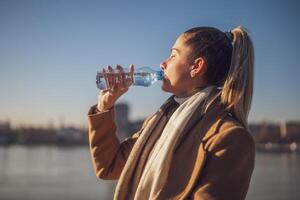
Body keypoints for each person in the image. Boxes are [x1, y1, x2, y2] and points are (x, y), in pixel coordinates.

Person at [87, 26, 255, 200]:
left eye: (173, 55)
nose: (163, 63)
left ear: (196, 66)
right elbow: (109, 167)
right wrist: (104, 107)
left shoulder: (230, 138)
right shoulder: (160, 121)